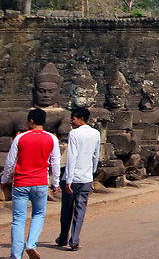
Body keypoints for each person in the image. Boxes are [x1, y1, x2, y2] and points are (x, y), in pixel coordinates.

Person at [1, 108, 60, 259]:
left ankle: (16, 255)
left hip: (21, 182)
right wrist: (56, 182)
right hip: (40, 182)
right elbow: (55, 162)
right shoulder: (52, 138)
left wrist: (4, 179)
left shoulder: (20, 138)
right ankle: (31, 244)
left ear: (31, 121)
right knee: (38, 215)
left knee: (18, 219)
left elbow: (10, 161)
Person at [55, 107, 100, 251]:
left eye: (73, 118)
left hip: (73, 177)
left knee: (67, 209)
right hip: (86, 177)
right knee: (80, 209)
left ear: (81, 119)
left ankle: (63, 237)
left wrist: (68, 179)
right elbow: (95, 155)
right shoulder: (96, 133)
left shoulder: (74, 133)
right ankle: (74, 240)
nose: (71, 121)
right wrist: (92, 173)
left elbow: (72, 157)